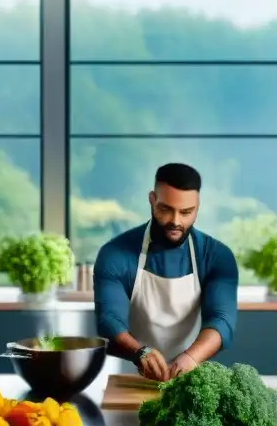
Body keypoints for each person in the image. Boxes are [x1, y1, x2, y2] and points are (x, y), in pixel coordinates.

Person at [93, 163, 238, 381]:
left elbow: (221, 319)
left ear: (197, 207)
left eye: (186, 212)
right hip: (131, 377)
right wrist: (139, 352)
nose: (175, 221)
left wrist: (190, 358)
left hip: (190, 376)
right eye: (165, 209)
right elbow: (109, 318)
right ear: (152, 200)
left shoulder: (217, 256)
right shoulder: (115, 254)